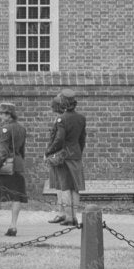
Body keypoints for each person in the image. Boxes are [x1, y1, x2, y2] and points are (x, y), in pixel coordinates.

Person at [0, 101, 28, 237]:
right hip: (18, 164)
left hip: (6, 166)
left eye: (2, 114)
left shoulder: (5, 129)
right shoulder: (22, 128)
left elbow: (3, 153)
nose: (0, 117)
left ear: (9, 115)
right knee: (16, 197)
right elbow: (22, 150)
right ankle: (13, 226)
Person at [45, 94, 87, 227]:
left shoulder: (61, 119)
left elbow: (59, 139)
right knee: (75, 188)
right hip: (76, 154)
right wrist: (78, 151)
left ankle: (69, 217)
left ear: (64, 103)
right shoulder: (81, 118)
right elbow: (82, 139)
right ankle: (74, 217)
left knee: (65, 187)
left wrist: (49, 151)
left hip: (63, 156)